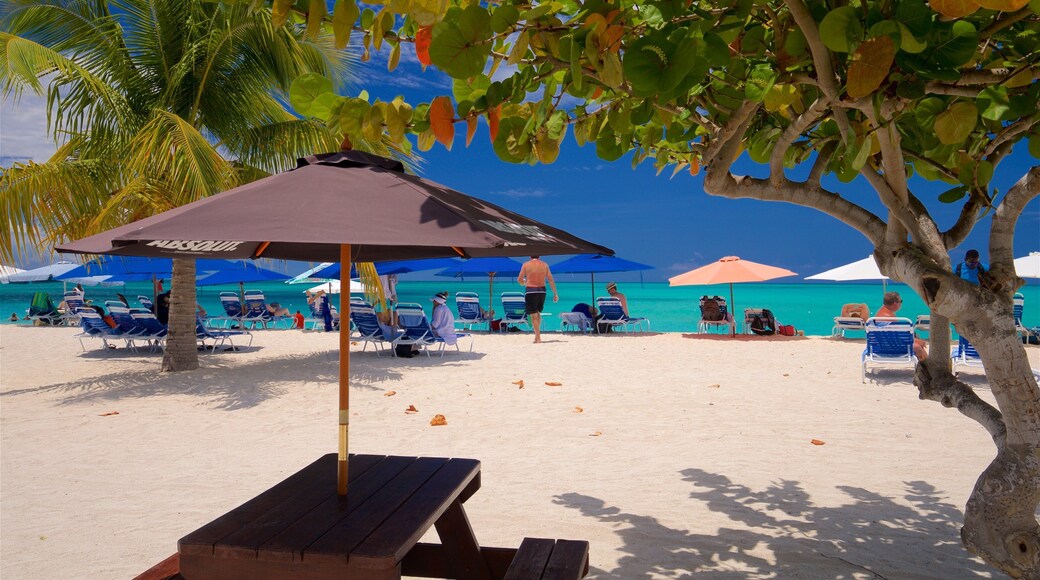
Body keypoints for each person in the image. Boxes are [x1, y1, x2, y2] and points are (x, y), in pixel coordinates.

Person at [517, 256, 558, 343]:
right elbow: (551, 280)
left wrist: (524, 283)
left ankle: (538, 338)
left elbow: (519, 279)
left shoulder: (526, 265)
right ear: (539, 256)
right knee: (538, 313)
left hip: (531, 290)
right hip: (542, 291)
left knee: (533, 316)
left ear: (530, 256)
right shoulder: (545, 265)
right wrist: (555, 293)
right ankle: (536, 336)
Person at [876, 291, 928, 360]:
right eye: (901, 301)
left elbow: (893, 336)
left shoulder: (880, 313)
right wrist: (917, 341)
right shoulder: (890, 317)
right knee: (918, 347)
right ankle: (930, 366)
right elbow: (898, 338)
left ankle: (926, 366)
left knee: (917, 341)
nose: (901, 303)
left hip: (880, 345)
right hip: (889, 347)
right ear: (895, 304)